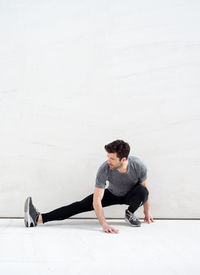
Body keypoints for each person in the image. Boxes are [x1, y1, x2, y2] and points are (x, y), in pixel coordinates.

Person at [24, 139, 154, 234]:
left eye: (112, 158)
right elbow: (97, 200)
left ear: (124, 159)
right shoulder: (105, 168)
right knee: (79, 205)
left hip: (131, 195)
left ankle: (130, 213)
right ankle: (37, 218)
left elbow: (145, 190)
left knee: (142, 190)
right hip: (113, 194)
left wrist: (146, 212)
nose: (108, 161)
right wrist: (104, 224)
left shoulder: (138, 166)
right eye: (108, 157)